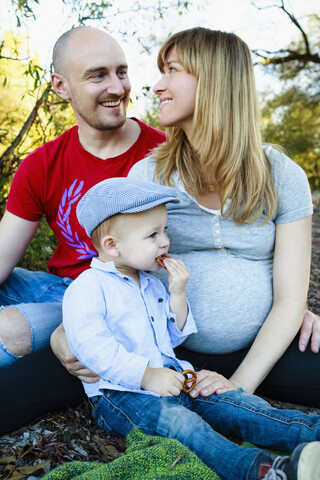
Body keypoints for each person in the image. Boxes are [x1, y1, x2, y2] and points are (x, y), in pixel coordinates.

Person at [62, 177, 320, 480]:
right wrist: (147, 376)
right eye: (153, 235)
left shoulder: (148, 283)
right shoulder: (88, 288)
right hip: (120, 395)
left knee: (234, 405)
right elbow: (93, 347)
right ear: (112, 245)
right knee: (183, 425)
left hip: (171, 379)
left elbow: (173, 336)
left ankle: (310, 434)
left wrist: (177, 294)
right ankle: (262, 471)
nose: (165, 242)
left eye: (164, 230)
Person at [128, 27, 320, 407]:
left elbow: (289, 299)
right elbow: (123, 277)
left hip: (265, 353)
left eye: (172, 70)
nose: (157, 85)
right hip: (167, 356)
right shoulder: (147, 177)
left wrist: (238, 387)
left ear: (214, 80)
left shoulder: (283, 175)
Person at [0, 26, 165, 435]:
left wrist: (279, 304)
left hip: (117, 296)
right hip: (57, 287)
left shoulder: (162, 156)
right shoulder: (42, 164)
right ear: (61, 85)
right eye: (98, 75)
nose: (117, 87)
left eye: (122, 71)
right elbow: (4, 255)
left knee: (10, 328)